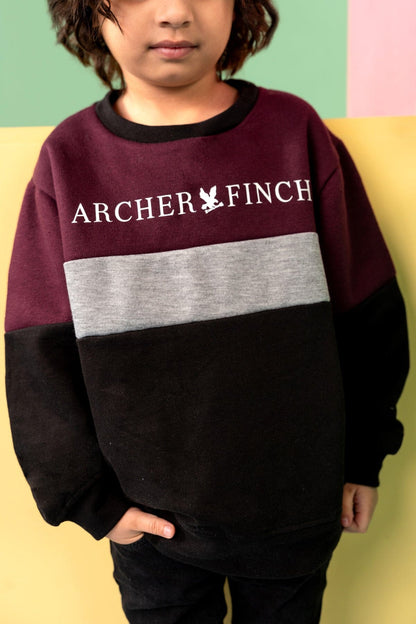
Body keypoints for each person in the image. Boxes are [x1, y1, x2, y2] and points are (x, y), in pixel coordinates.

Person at [5, 0, 409, 622]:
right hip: (150, 526)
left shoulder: (294, 131)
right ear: (90, 12)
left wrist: (364, 457)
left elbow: (368, 312)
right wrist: (91, 502)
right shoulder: (68, 158)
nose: (174, 12)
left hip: (297, 506)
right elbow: (38, 350)